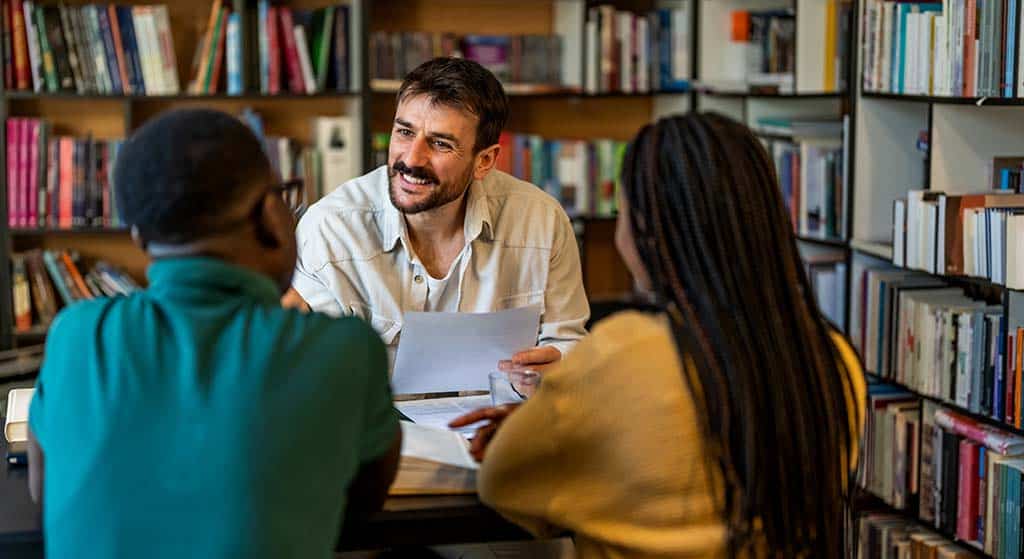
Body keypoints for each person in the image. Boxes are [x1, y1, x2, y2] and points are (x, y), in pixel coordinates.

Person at [452, 113, 867, 558]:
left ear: (647, 229)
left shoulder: (626, 351)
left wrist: (542, 429)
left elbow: (503, 484)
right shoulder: (835, 358)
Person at [26, 108, 401, 558]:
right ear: (269, 214)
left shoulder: (75, 336)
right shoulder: (345, 352)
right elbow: (364, 503)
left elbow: (45, 491)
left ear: (140, 238)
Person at [283, 57, 589, 372]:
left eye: (440, 144)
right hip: (380, 420)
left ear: (484, 161)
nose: (412, 159)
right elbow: (313, 370)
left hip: (502, 417)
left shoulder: (542, 222)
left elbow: (567, 343)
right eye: (404, 132)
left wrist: (556, 369)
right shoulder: (330, 229)